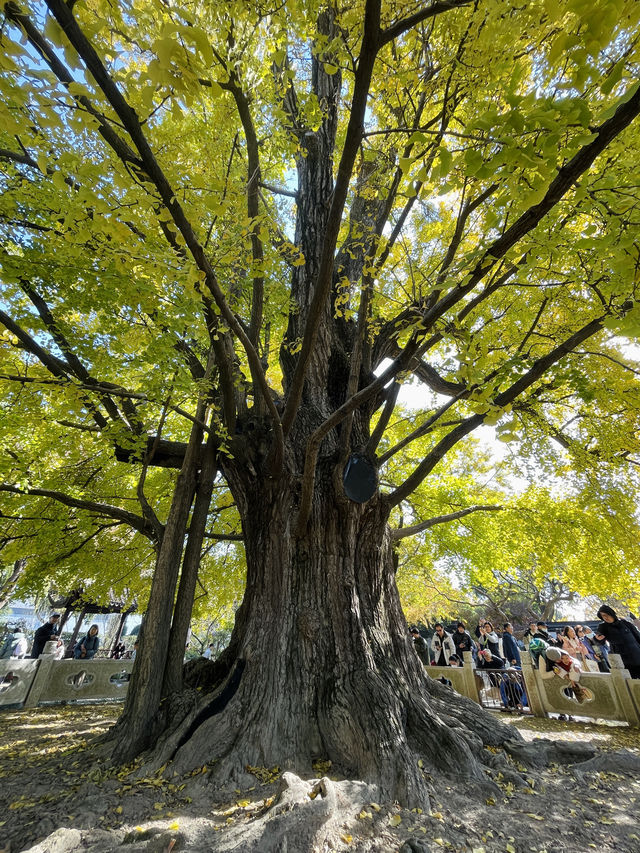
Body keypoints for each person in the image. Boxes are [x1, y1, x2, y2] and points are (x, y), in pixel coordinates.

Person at [596, 605, 640, 679]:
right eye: (603, 616)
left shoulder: (625, 623)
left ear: (611, 613)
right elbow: (599, 640)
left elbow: (638, 637)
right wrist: (598, 639)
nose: (605, 617)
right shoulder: (603, 627)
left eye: (606, 615)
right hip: (623, 661)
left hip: (637, 655)